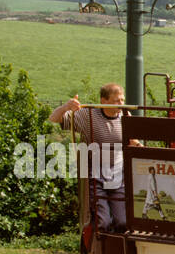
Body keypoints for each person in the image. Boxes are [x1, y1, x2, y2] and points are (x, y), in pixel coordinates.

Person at [49, 84, 137, 233]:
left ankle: (117, 251)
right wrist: (66, 107)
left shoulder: (126, 117)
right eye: (116, 101)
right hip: (95, 176)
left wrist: (137, 144)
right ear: (104, 100)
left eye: (122, 100)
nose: (121, 104)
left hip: (117, 175)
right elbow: (54, 118)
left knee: (123, 222)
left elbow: (134, 141)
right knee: (103, 222)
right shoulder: (88, 116)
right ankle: (94, 248)